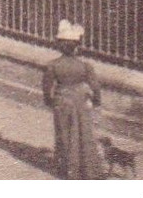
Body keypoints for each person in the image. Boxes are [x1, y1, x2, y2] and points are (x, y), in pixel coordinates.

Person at [43, 20, 107, 179]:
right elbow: (95, 87)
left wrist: (48, 100)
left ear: (59, 46)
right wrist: (97, 100)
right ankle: (86, 169)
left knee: (64, 133)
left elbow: (47, 86)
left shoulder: (53, 65)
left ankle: (68, 169)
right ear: (77, 47)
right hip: (81, 101)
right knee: (84, 133)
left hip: (62, 100)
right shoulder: (85, 66)